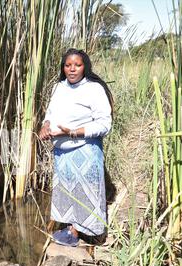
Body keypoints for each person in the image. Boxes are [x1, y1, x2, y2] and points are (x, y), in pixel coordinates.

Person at [39, 48, 113, 247]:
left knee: (85, 191)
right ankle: (72, 226)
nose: (72, 69)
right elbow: (50, 114)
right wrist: (45, 126)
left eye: (77, 65)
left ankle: (78, 232)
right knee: (69, 190)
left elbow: (104, 124)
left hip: (85, 149)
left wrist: (71, 132)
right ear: (63, 67)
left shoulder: (94, 89)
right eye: (68, 65)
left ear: (85, 67)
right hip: (62, 152)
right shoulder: (59, 88)